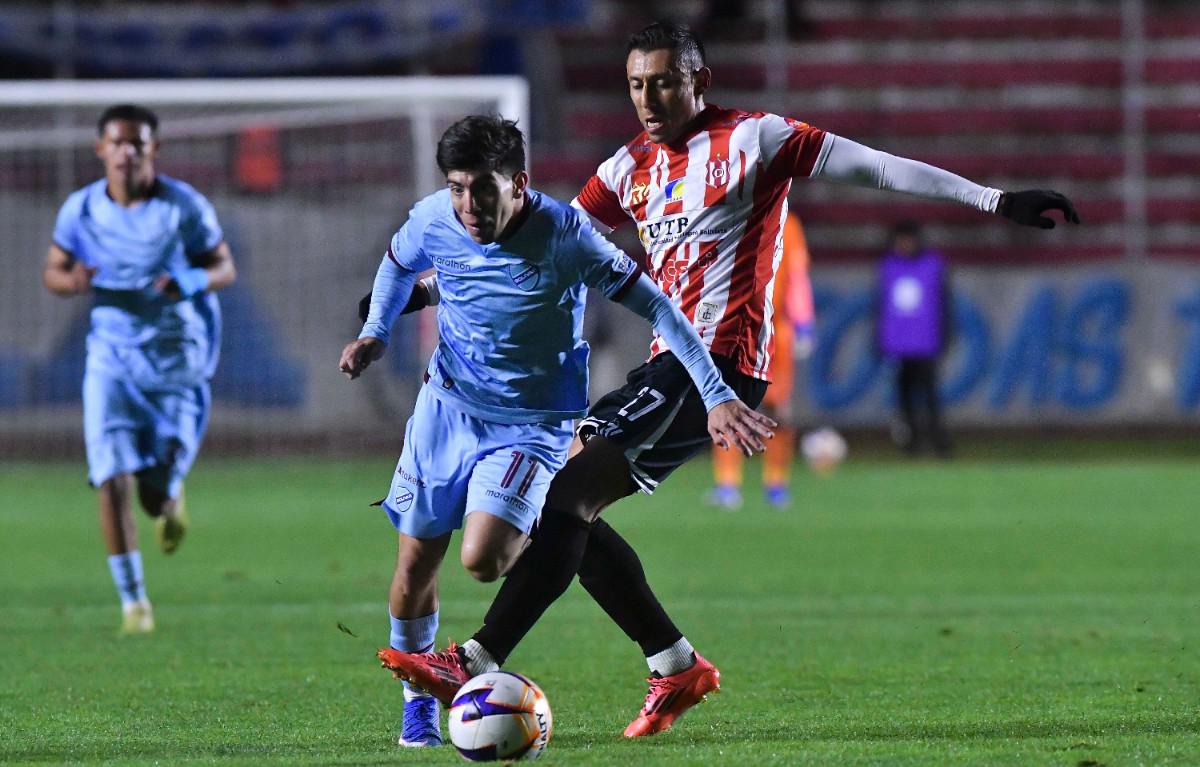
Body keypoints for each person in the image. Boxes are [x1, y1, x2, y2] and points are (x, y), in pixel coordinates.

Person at [381, 21, 1079, 738]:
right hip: (666, 365)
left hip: (722, 361)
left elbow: (877, 166)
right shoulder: (627, 168)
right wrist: (426, 292)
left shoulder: (757, 139)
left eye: (662, 81)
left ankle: (473, 658)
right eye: (635, 84)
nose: (647, 98)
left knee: (566, 495)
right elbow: (536, 245)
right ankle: (674, 661)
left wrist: (995, 201)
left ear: (698, 81)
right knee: (569, 507)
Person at [340, 115, 771, 748]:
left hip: (534, 424)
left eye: (481, 189)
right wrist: (376, 331)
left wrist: (714, 394)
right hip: (447, 408)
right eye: (457, 188)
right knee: (414, 565)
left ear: (518, 182)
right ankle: (418, 704)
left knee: (486, 560)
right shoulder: (433, 218)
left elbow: (656, 305)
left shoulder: (566, 235)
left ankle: (482, 660)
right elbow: (398, 264)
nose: (468, 205)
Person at [42, 104, 237, 635]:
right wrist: (75, 279)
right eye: (118, 143)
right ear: (100, 149)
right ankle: (135, 604)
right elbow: (53, 273)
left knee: (152, 493)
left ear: (154, 149)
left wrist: (189, 282)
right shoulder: (80, 210)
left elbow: (224, 266)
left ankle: (170, 500)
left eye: (138, 143)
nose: (127, 152)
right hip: (111, 357)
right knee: (109, 476)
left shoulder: (182, 207)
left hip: (178, 357)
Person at [709, 211, 814, 509]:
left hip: (775, 330)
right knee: (728, 404)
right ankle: (728, 484)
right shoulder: (733, 214)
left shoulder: (789, 223)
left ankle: (776, 483)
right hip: (736, 329)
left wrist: (803, 322)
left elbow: (796, 274)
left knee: (778, 407)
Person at [876, 220, 953, 456]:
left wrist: (945, 335)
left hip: (925, 343)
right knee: (904, 397)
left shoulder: (932, 265)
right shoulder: (888, 266)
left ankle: (939, 441)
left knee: (929, 396)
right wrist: (880, 339)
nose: (903, 244)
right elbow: (881, 307)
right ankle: (912, 445)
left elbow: (943, 304)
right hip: (899, 345)